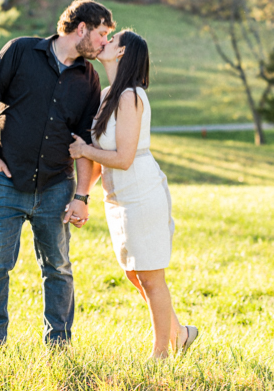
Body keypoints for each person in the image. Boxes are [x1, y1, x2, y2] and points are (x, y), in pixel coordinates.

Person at [0, 0, 114, 348]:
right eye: (102, 34)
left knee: (58, 269)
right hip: (6, 182)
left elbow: (84, 141)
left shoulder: (89, 78)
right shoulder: (20, 51)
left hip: (56, 187)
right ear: (81, 28)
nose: (104, 44)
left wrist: (81, 196)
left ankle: (59, 346)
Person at [68, 29, 198, 359]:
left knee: (152, 277)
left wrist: (83, 149)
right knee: (134, 274)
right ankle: (180, 334)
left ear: (122, 53)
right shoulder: (111, 93)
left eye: (111, 40)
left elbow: (123, 158)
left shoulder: (131, 96)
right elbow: (101, 155)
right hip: (119, 197)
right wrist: (82, 195)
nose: (103, 42)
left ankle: (161, 355)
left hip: (140, 192)